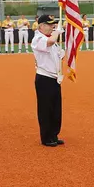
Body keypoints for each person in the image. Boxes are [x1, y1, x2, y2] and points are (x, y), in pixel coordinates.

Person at [31, 15, 65, 147]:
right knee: (46, 109)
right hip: (44, 78)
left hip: (54, 78)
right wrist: (56, 33)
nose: (52, 27)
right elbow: (49, 43)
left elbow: (53, 51)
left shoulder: (52, 39)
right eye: (49, 25)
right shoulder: (38, 38)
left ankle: (54, 135)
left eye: (53, 25)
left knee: (56, 110)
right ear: (41, 26)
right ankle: (46, 137)